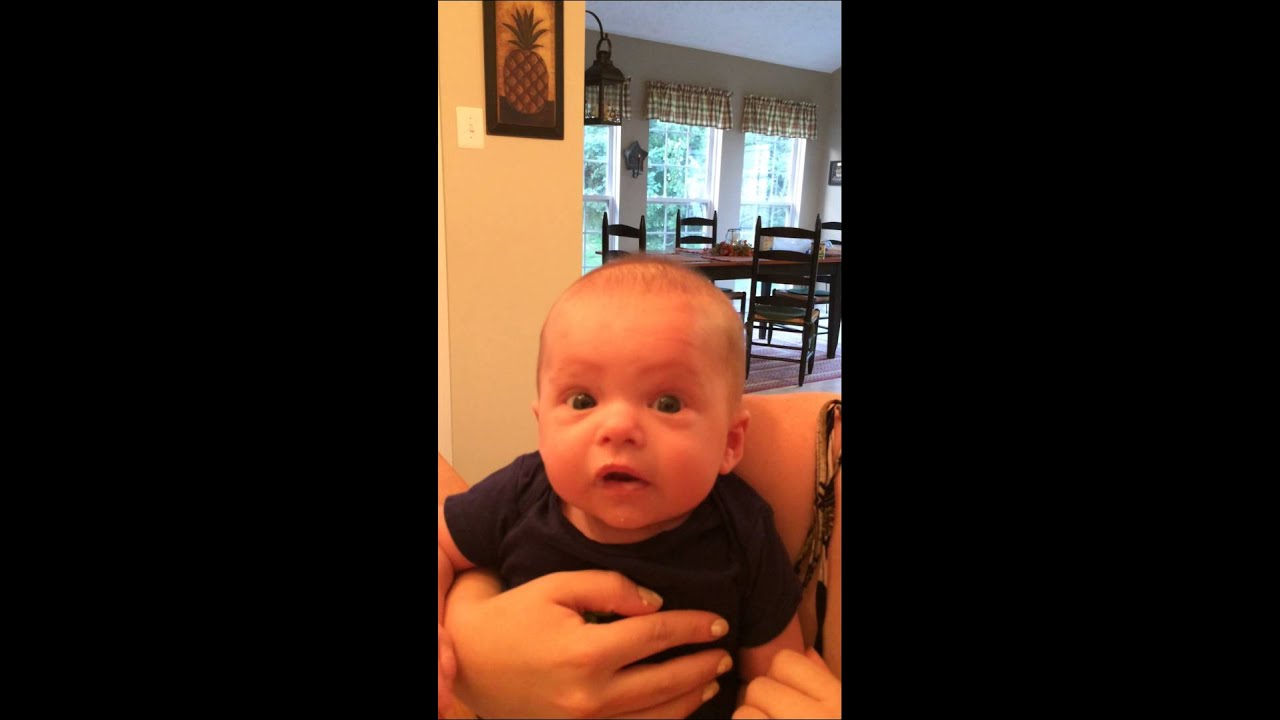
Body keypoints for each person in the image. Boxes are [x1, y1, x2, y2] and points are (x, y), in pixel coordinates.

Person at [438, 258, 804, 718]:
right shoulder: (520, 493)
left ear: (730, 443)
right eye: (583, 400)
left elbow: (776, 677)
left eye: (667, 403)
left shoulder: (743, 530)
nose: (618, 427)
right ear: (541, 427)